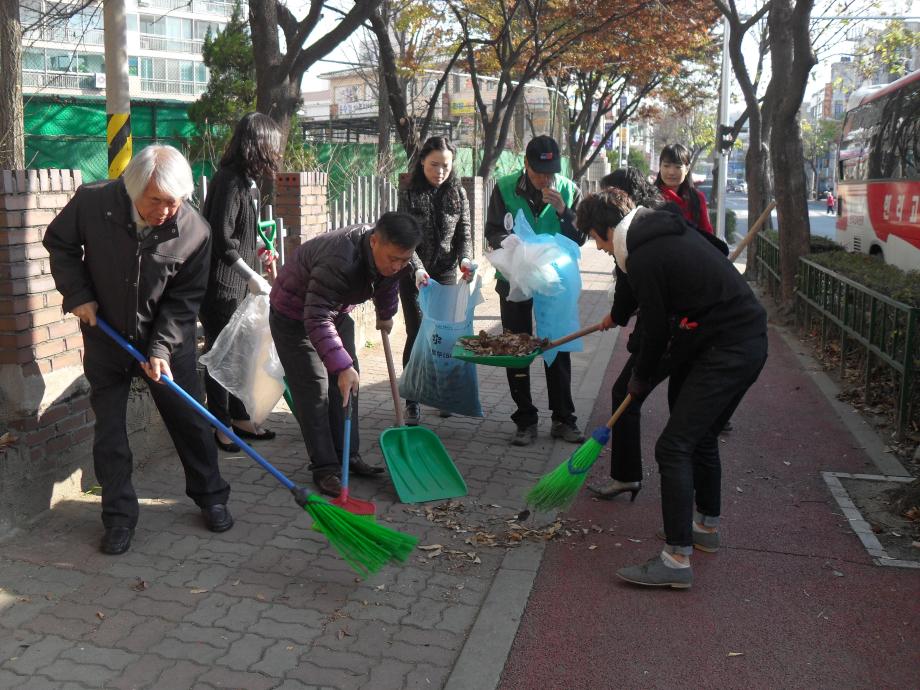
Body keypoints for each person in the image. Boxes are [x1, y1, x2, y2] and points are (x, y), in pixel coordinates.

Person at [43, 145, 233, 556]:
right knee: (110, 434)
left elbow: (184, 301)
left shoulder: (195, 231)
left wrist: (162, 348)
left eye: (174, 201)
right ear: (133, 189)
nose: (166, 210)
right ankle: (118, 518)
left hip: (164, 345)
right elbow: (59, 243)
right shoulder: (94, 203)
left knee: (190, 422)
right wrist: (78, 294)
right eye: (157, 201)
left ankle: (212, 496)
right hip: (107, 339)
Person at [577, 189, 767, 589]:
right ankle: (704, 528)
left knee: (673, 445)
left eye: (596, 238)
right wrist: (618, 312)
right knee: (701, 437)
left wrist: (641, 377)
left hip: (726, 347)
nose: (596, 246)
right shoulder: (655, 230)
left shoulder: (645, 254)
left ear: (609, 229)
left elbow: (657, 327)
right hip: (735, 338)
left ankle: (677, 558)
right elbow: (638, 281)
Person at [589, 168, 730, 501]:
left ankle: (670, 494)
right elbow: (629, 283)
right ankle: (650, 484)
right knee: (658, 402)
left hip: (682, 326)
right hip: (681, 324)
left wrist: (641, 366)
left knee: (634, 394)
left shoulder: (646, 228)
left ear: (624, 199)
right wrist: (617, 315)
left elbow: (643, 300)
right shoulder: (643, 225)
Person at [269, 213, 423, 497]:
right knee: (316, 389)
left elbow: (388, 281)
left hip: (334, 312)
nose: (398, 265)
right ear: (374, 241)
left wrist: (386, 314)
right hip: (294, 315)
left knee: (349, 383)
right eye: (393, 258)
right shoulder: (340, 259)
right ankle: (325, 467)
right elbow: (315, 317)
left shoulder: (397, 259)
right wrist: (341, 365)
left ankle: (348, 456)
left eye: (404, 259)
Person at [485, 135, 586, 446]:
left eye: (551, 171)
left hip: (555, 283)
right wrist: (509, 242)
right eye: (540, 171)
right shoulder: (503, 187)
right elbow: (492, 230)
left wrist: (564, 212)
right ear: (526, 165)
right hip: (513, 280)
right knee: (515, 346)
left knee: (556, 345)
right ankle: (525, 419)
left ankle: (563, 419)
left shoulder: (568, 190)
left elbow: (581, 237)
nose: (546, 178)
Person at [199, 113, 283, 452]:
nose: (277, 152)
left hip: (238, 285)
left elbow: (239, 233)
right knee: (221, 356)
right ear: (258, 144)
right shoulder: (230, 181)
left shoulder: (247, 181)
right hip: (221, 288)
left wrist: (259, 250)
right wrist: (249, 275)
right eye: (273, 145)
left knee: (239, 354)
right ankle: (220, 425)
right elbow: (220, 238)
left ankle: (239, 418)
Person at [397, 136, 475, 426]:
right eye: (433, 165)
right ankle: (413, 399)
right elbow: (404, 238)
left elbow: (464, 233)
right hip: (414, 274)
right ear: (421, 162)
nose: (440, 171)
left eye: (445, 165)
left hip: (444, 272)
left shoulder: (457, 193)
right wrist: (416, 268)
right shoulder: (409, 192)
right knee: (417, 333)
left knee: (443, 334)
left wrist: (465, 260)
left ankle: (442, 394)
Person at [654, 143, 714, 235]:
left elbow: (707, 234)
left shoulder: (697, 198)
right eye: (666, 166)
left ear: (687, 169)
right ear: (660, 166)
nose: (671, 172)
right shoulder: (650, 196)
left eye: (678, 167)